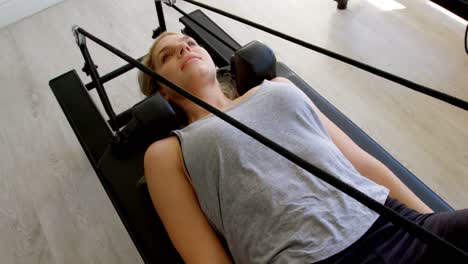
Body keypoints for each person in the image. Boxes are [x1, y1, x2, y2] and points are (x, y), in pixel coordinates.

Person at [138, 32, 468, 263]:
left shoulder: (277, 87)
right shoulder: (168, 153)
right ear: (162, 92)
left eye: (189, 42)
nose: (184, 49)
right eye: (168, 55)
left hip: (393, 222)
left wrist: (434, 224)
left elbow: (360, 164)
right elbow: (206, 259)